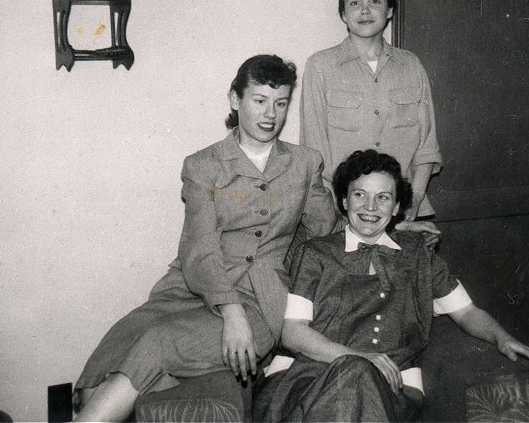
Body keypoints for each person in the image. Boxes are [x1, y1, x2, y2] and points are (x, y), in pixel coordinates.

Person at [72, 54, 341, 422]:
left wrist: (367, 216)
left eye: (281, 103)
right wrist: (230, 311)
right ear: (235, 99)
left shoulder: (305, 163)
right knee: (109, 358)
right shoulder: (203, 165)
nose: (271, 114)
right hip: (189, 289)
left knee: (157, 343)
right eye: (259, 100)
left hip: (260, 299)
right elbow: (199, 249)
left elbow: (326, 232)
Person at [252, 150, 529, 422]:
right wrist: (358, 358)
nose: (370, 207)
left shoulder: (418, 256)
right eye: (359, 194)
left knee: (357, 381)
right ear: (344, 201)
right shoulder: (315, 253)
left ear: (396, 208)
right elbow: (292, 332)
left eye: (383, 198)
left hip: (388, 388)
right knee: (353, 375)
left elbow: (466, 312)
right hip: (311, 378)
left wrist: (501, 337)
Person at [301, 0, 442, 229]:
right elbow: (314, 152)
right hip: (342, 216)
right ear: (343, 14)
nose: (365, 11)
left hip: (402, 212)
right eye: (355, 3)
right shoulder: (320, 66)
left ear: (389, 11)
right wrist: (340, 214)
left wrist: (413, 200)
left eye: (375, 1)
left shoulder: (411, 65)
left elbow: (427, 145)